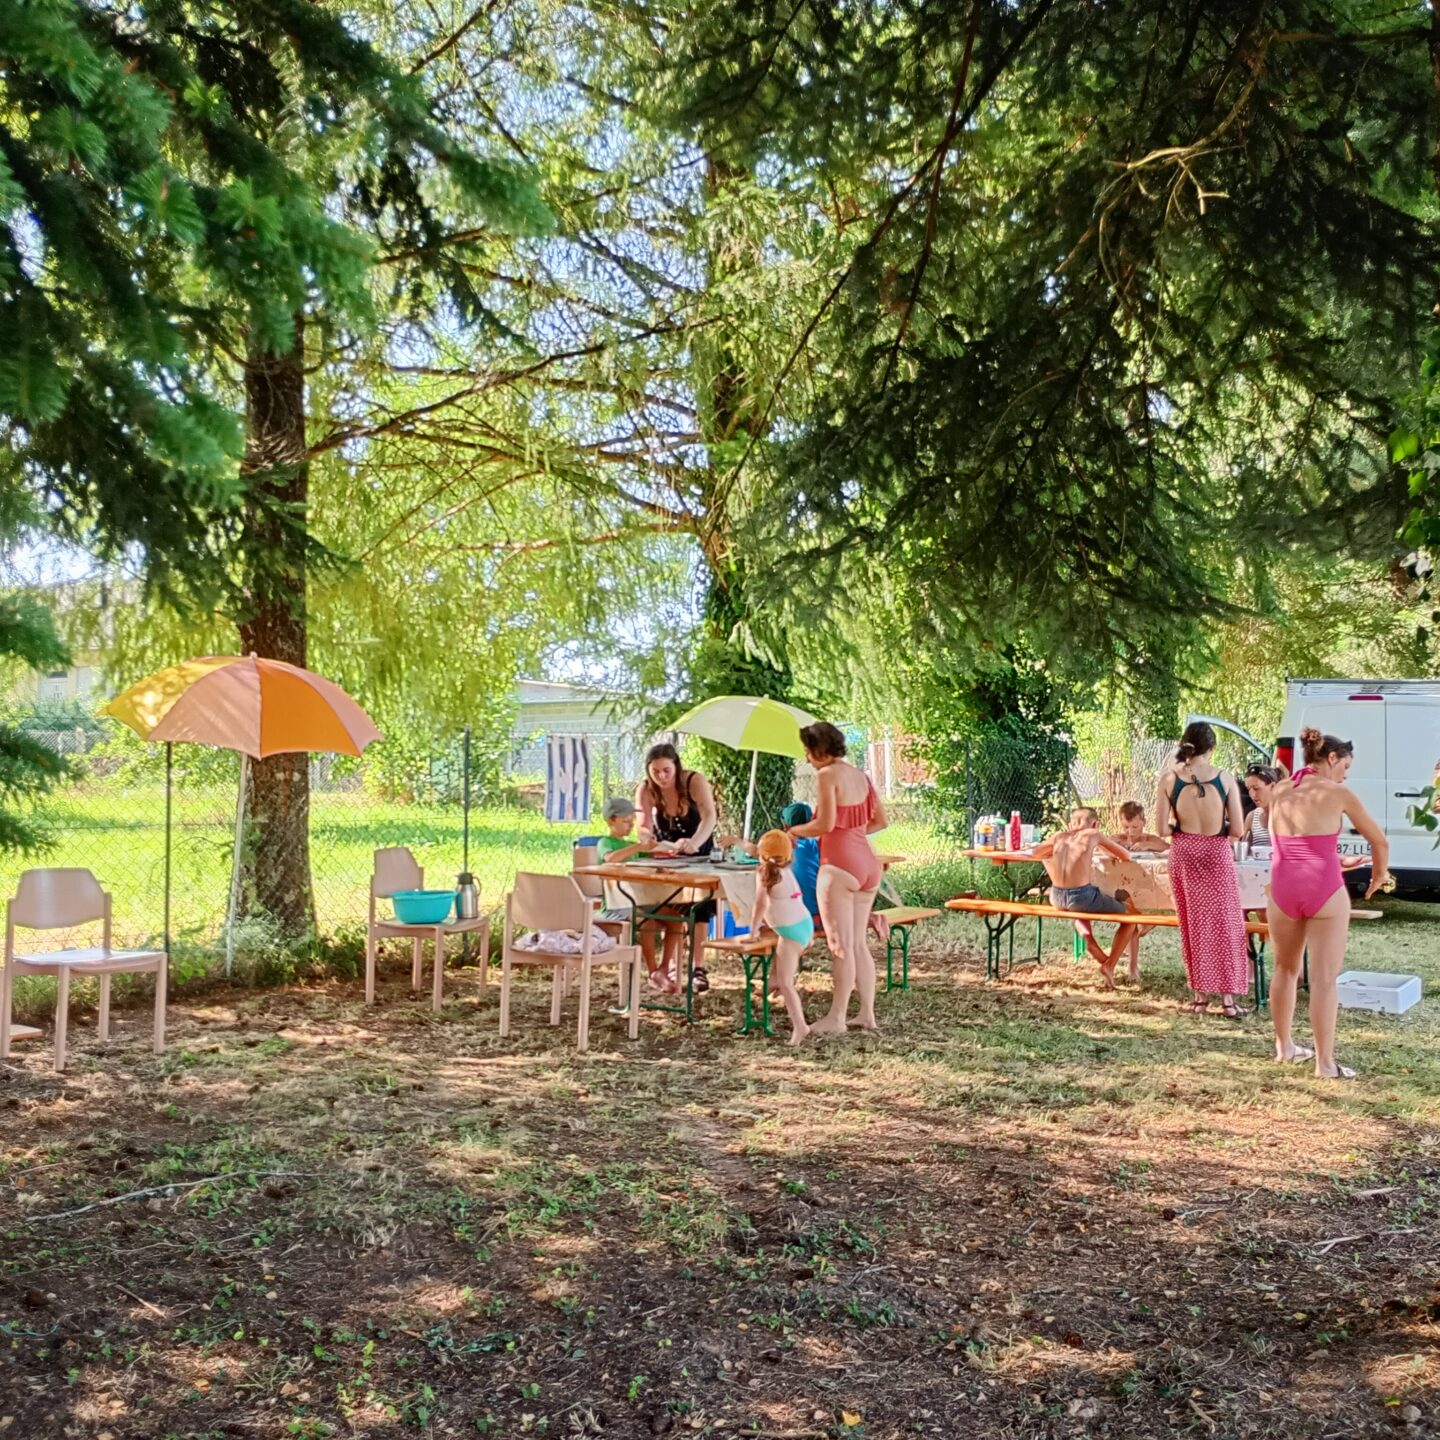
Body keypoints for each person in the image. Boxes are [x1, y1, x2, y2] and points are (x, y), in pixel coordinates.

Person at [1267, 731, 1390, 1079]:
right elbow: (1378, 841)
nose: (1346, 774)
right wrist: (1379, 876)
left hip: (1282, 888)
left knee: (1284, 969)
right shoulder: (1337, 793)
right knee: (1324, 980)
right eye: (1346, 766)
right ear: (1332, 759)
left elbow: (1287, 839)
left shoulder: (1279, 789)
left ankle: (1285, 1047)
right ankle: (1324, 1064)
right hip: (1323, 888)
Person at [789, 722, 888, 1034]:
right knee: (858, 943)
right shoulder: (861, 775)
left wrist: (793, 831)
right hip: (868, 863)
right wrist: (854, 835)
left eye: (808, 751)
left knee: (840, 945)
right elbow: (880, 821)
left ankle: (837, 1018)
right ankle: (867, 1014)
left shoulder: (827, 774)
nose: (806, 758)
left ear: (819, 751)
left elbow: (824, 824)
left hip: (839, 866)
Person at [1155, 721, 1249, 1018]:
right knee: (1226, 924)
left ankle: (1198, 996)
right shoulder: (1225, 778)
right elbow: (1237, 829)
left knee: (1192, 923)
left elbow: (1160, 829)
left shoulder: (1169, 779)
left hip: (1184, 852)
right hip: (1216, 852)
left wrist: (1181, 826)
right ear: (1212, 749)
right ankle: (1229, 1000)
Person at [632, 744, 719, 993]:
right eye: (656, 772)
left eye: (666, 770)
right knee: (668, 905)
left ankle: (697, 968)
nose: (661, 777)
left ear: (676, 766)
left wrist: (694, 843)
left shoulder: (694, 781)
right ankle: (668, 967)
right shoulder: (646, 789)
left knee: (700, 907)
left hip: (698, 850)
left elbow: (709, 816)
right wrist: (648, 838)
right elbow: (644, 824)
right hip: (666, 856)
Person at [1030, 807, 1141, 988]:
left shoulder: (1059, 836)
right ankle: (1109, 965)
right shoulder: (1092, 834)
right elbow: (1125, 855)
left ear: (1070, 824)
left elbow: (1035, 853)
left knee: (1080, 907)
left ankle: (1089, 940)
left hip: (1056, 897)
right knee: (1131, 916)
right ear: (1095, 824)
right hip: (1080, 897)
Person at [750, 830, 813, 1046]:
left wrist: (752, 931)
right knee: (781, 965)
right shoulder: (786, 870)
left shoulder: (766, 874)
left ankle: (800, 1026)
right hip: (804, 925)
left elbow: (760, 904)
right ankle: (772, 980)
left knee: (787, 983)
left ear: (763, 855)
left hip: (791, 932)